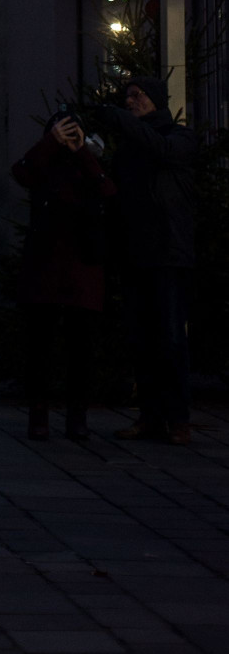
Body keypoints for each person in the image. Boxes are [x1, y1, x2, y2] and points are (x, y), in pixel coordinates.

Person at [11, 112, 115, 440]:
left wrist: (81, 150)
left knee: (80, 348)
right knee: (40, 346)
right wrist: (50, 142)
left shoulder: (88, 164)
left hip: (82, 267)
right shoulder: (44, 165)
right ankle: (39, 413)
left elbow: (108, 191)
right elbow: (22, 172)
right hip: (44, 266)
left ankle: (76, 415)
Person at [107, 74, 196, 443]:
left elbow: (161, 150)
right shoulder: (129, 144)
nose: (131, 102)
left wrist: (122, 121)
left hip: (169, 253)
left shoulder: (179, 137)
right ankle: (149, 415)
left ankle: (178, 420)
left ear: (155, 99)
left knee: (172, 338)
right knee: (140, 337)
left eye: (137, 95)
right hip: (135, 251)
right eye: (126, 97)